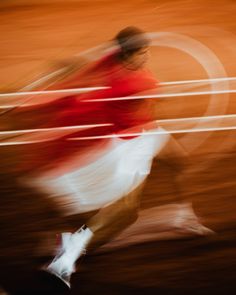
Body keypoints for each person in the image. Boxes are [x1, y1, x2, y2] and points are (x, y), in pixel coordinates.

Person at [23, 27, 212, 289]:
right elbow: (135, 96)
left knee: (178, 162)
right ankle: (67, 256)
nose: (146, 57)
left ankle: (184, 215)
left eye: (147, 51)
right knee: (125, 211)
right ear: (128, 53)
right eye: (142, 53)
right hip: (131, 145)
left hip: (148, 129)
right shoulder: (126, 84)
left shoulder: (113, 59)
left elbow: (96, 66)